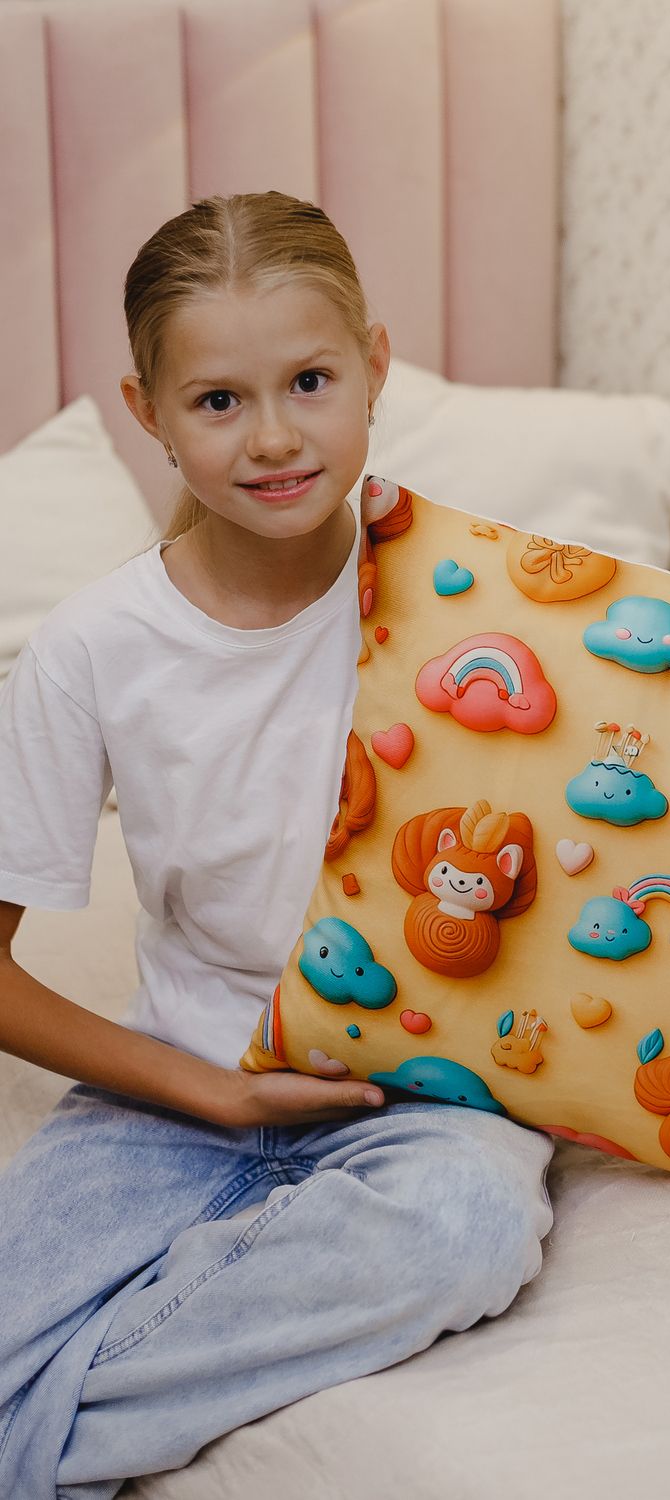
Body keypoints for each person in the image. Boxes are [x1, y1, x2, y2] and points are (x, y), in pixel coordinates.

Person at [0, 192, 555, 1499]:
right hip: (176, 1092)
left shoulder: (476, 599)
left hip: (418, 1102)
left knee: (473, 1227)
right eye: (217, 401)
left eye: (310, 382)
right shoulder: (90, 650)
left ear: (374, 364)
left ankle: (47, 1426)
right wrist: (213, 1095)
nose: (273, 437)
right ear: (148, 413)